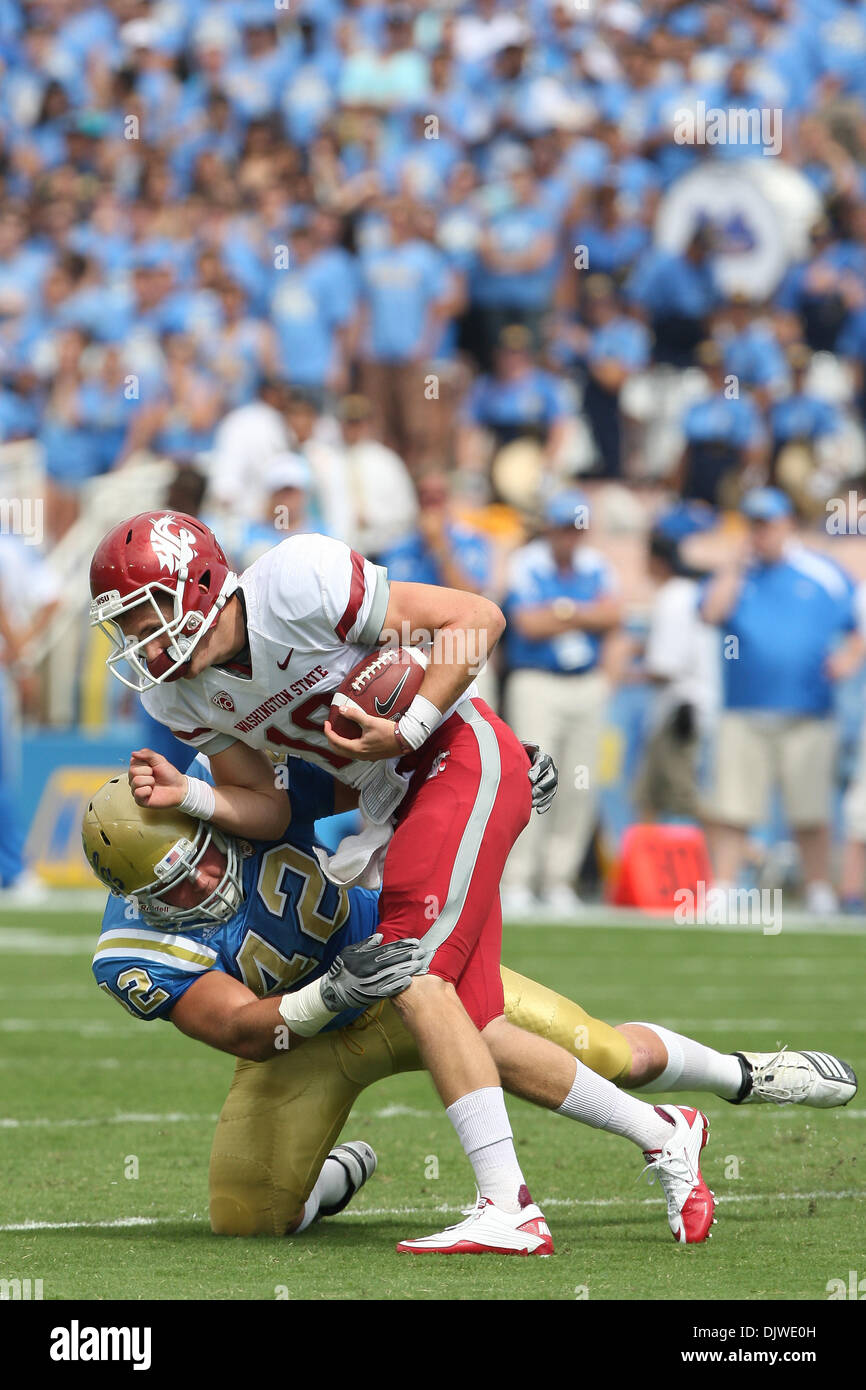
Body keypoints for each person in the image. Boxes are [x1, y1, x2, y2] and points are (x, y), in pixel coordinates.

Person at [89, 509, 718, 1253]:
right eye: (125, 627)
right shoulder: (178, 697)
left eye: (145, 615)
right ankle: (665, 1131)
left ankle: (507, 1207)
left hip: (453, 756)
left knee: (413, 976)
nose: (140, 642)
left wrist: (411, 726)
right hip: (399, 803)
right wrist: (188, 798)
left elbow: (475, 618)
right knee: (476, 1029)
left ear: (195, 585)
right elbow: (275, 810)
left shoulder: (296, 583)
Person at [82, 764, 856, 1239]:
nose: (205, 884)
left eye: (202, 860)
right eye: (173, 887)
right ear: (132, 897)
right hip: (306, 1034)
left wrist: (500, 779)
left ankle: (742, 1076)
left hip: (415, 980)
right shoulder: (130, 952)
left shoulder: (239, 792)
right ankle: (334, 1174)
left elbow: (389, 779)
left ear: (205, 820)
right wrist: (332, 990)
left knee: (607, 1053)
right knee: (246, 1219)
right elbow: (243, 1030)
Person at [700, 487, 864, 911]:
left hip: (808, 708)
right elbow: (711, 613)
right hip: (744, 706)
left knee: (810, 807)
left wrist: (848, 658)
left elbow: (857, 620)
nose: (761, 534)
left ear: (786, 524)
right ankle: (724, 885)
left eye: (768, 525)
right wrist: (734, 566)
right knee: (734, 805)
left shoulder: (821, 573)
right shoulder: (740, 575)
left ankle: (817, 887)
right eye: (754, 525)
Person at [500, 489, 621, 917]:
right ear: (548, 528)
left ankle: (559, 877)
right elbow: (529, 624)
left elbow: (614, 616)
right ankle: (518, 876)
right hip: (538, 679)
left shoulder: (596, 565)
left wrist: (563, 611)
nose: (569, 536)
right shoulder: (526, 562)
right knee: (531, 778)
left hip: (584, 681)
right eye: (562, 527)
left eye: (575, 527)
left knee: (578, 783)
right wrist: (581, 611)